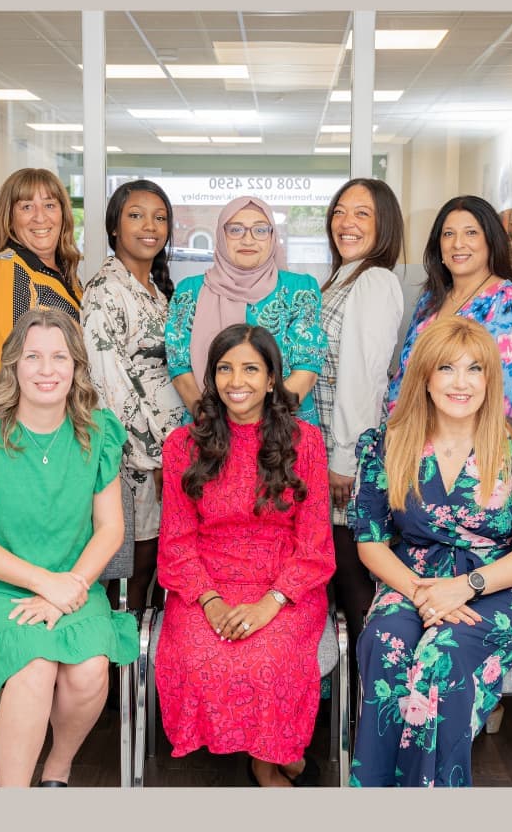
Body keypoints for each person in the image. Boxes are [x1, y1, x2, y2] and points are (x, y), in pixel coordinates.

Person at [0, 309, 137, 788]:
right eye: (33, 356)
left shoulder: (97, 433)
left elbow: (109, 530)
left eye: (59, 357)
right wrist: (46, 586)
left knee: (90, 671)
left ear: (77, 366)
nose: (46, 369)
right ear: (14, 365)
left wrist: (70, 587)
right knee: (34, 664)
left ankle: (56, 774)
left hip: (71, 582)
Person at [350, 316, 512, 787]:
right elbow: (370, 542)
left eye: (475, 370)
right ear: (425, 377)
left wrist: (463, 589)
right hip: (413, 582)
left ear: (491, 379)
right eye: (447, 368)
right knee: (387, 646)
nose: (461, 383)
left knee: (440, 657)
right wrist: (426, 594)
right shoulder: (386, 443)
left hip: (503, 587)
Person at [156, 325, 335, 788]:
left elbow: (315, 545)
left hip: (285, 585)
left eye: (251, 368)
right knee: (204, 658)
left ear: (273, 378)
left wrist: (269, 603)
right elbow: (176, 542)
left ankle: (267, 758)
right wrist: (210, 601)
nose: (237, 380)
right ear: (212, 378)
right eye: (225, 368)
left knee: (269, 659)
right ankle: (266, 753)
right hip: (204, 584)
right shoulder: (182, 445)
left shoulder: (306, 442)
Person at [312, 177, 404, 687]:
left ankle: (376, 703)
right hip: (328, 448)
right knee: (338, 578)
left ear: (384, 224)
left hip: (348, 456)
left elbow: (364, 374)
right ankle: (345, 701)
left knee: (354, 580)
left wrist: (345, 458)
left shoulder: (373, 281)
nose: (347, 223)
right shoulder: (343, 278)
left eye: (362, 214)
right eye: (340, 212)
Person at [81, 179, 187, 614]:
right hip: (136, 461)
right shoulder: (105, 290)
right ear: (113, 227)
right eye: (136, 215)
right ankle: (118, 679)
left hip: (173, 453)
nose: (150, 226)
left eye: (160, 218)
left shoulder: (159, 290)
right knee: (131, 580)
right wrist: (155, 459)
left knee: (164, 571)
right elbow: (110, 387)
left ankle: (148, 677)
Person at [165, 195, 327, 424]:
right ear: (221, 236)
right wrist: (218, 425)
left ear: (272, 237)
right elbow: (181, 371)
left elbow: (306, 371)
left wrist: (254, 430)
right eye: (236, 230)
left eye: (260, 230)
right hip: (210, 430)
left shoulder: (299, 289)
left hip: (283, 430)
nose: (248, 240)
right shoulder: (189, 291)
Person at [386, 195, 512, 418]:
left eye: (471, 232)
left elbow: (499, 390)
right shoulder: (431, 299)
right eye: (448, 234)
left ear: (491, 241)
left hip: (472, 444)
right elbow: (405, 376)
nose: (458, 243)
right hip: (409, 435)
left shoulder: (508, 298)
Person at [0, 168, 82, 384]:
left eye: (49, 205)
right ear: (10, 218)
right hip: (24, 415)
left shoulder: (65, 272)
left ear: (62, 214)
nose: (40, 217)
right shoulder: (8, 270)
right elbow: (6, 370)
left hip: (60, 408)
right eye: (27, 207)